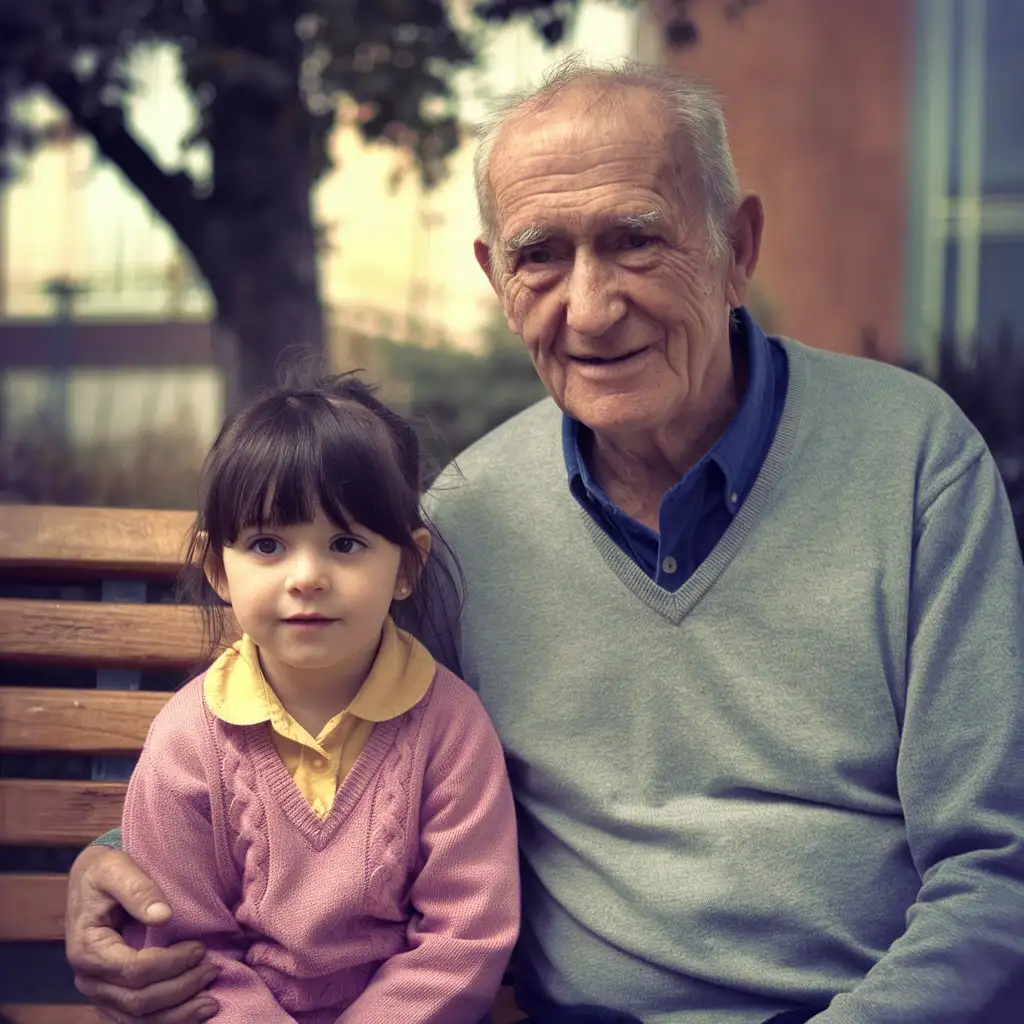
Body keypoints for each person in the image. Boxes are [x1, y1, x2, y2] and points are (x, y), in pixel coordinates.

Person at [65, 57, 1024, 1024]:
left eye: (636, 241)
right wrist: (116, 864)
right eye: (541, 257)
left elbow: (998, 864)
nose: (592, 307)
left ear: (737, 247)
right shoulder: (465, 520)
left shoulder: (913, 459)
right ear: (495, 277)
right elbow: (324, 741)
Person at [113, 374, 520, 1022]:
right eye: (268, 545)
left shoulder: (449, 728)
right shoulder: (187, 742)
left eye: (345, 543)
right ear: (219, 569)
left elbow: (462, 936)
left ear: (408, 566)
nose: (307, 577)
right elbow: (187, 943)